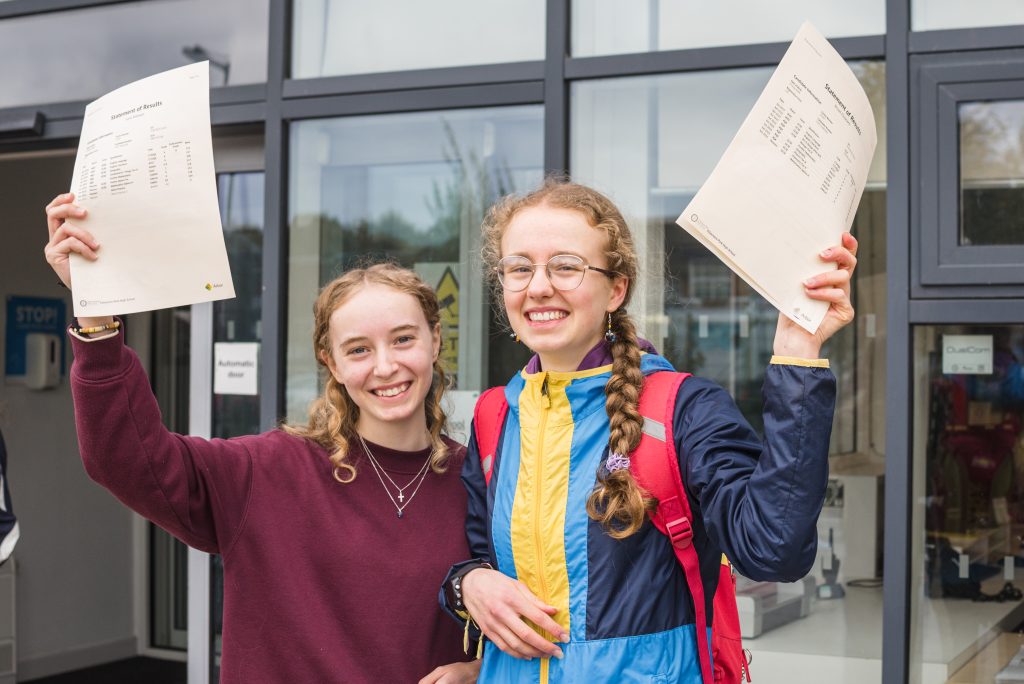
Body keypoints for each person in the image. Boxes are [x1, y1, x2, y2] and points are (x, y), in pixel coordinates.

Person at [44, 192, 480, 684]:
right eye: (358, 349)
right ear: (331, 363)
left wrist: (480, 671)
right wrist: (97, 314)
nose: (386, 366)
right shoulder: (268, 472)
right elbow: (123, 458)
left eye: (403, 339)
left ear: (436, 340)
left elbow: (538, 627)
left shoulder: (481, 481)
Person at [440, 179, 857, 682]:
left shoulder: (683, 410)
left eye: (566, 266)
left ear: (616, 288)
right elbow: (475, 556)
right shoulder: (494, 416)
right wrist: (469, 584)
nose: (539, 286)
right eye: (519, 267)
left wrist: (798, 351)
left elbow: (772, 549)